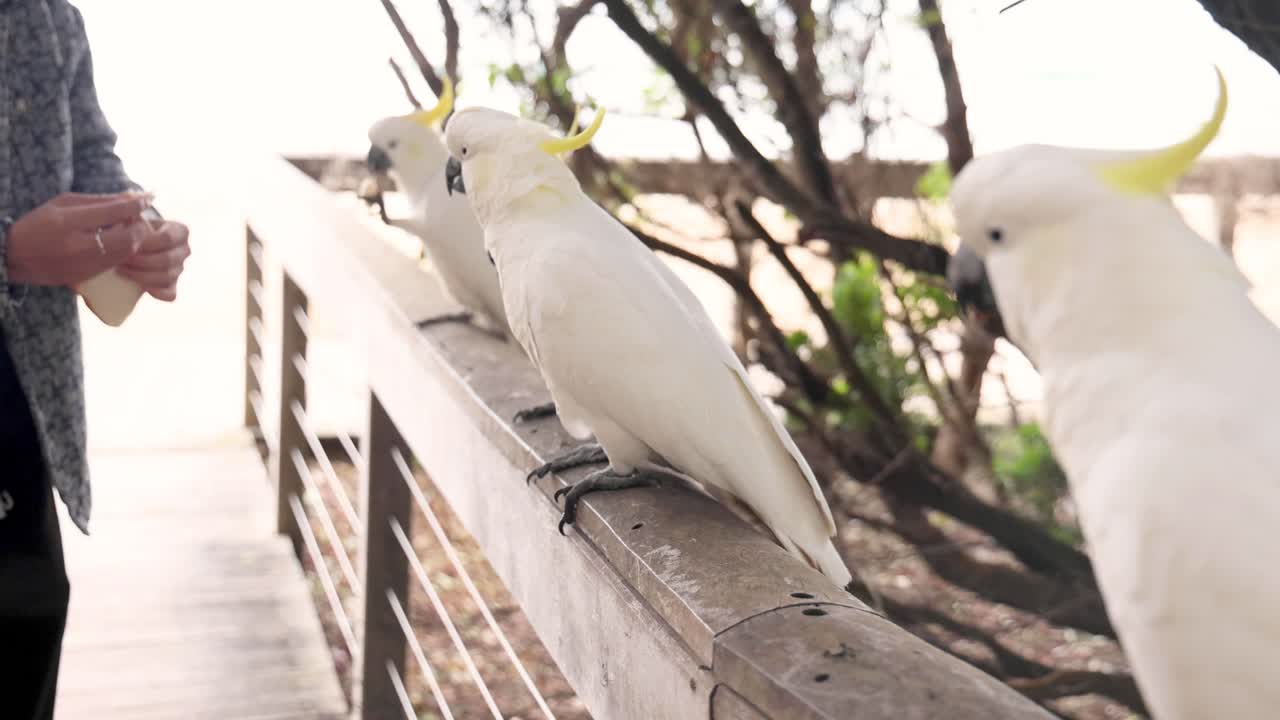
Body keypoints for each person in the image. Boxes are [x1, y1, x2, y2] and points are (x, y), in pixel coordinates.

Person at [0, 2, 191, 718]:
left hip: (27, 424)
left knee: (28, 636)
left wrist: (137, 229)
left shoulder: (52, 15)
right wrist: (9, 251)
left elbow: (89, 155)